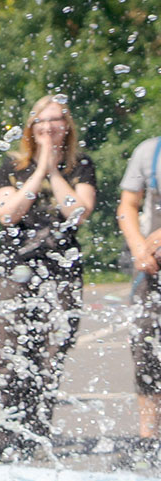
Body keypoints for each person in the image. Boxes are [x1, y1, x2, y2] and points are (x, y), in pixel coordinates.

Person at [0, 94, 97, 462]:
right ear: (31, 128)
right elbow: (8, 214)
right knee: (9, 356)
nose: (49, 127)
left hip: (62, 273)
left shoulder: (81, 166)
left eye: (56, 120)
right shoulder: (12, 166)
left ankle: (35, 436)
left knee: (49, 359)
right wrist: (38, 170)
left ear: (67, 126)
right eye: (41, 121)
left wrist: (53, 171)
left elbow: (77, 213)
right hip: (15, 272)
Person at [116, 125, 161, 449]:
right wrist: (138, 248)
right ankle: (149, 437)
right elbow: (128, 206)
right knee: (146, 349)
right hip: (153, 267)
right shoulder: (150, 151)